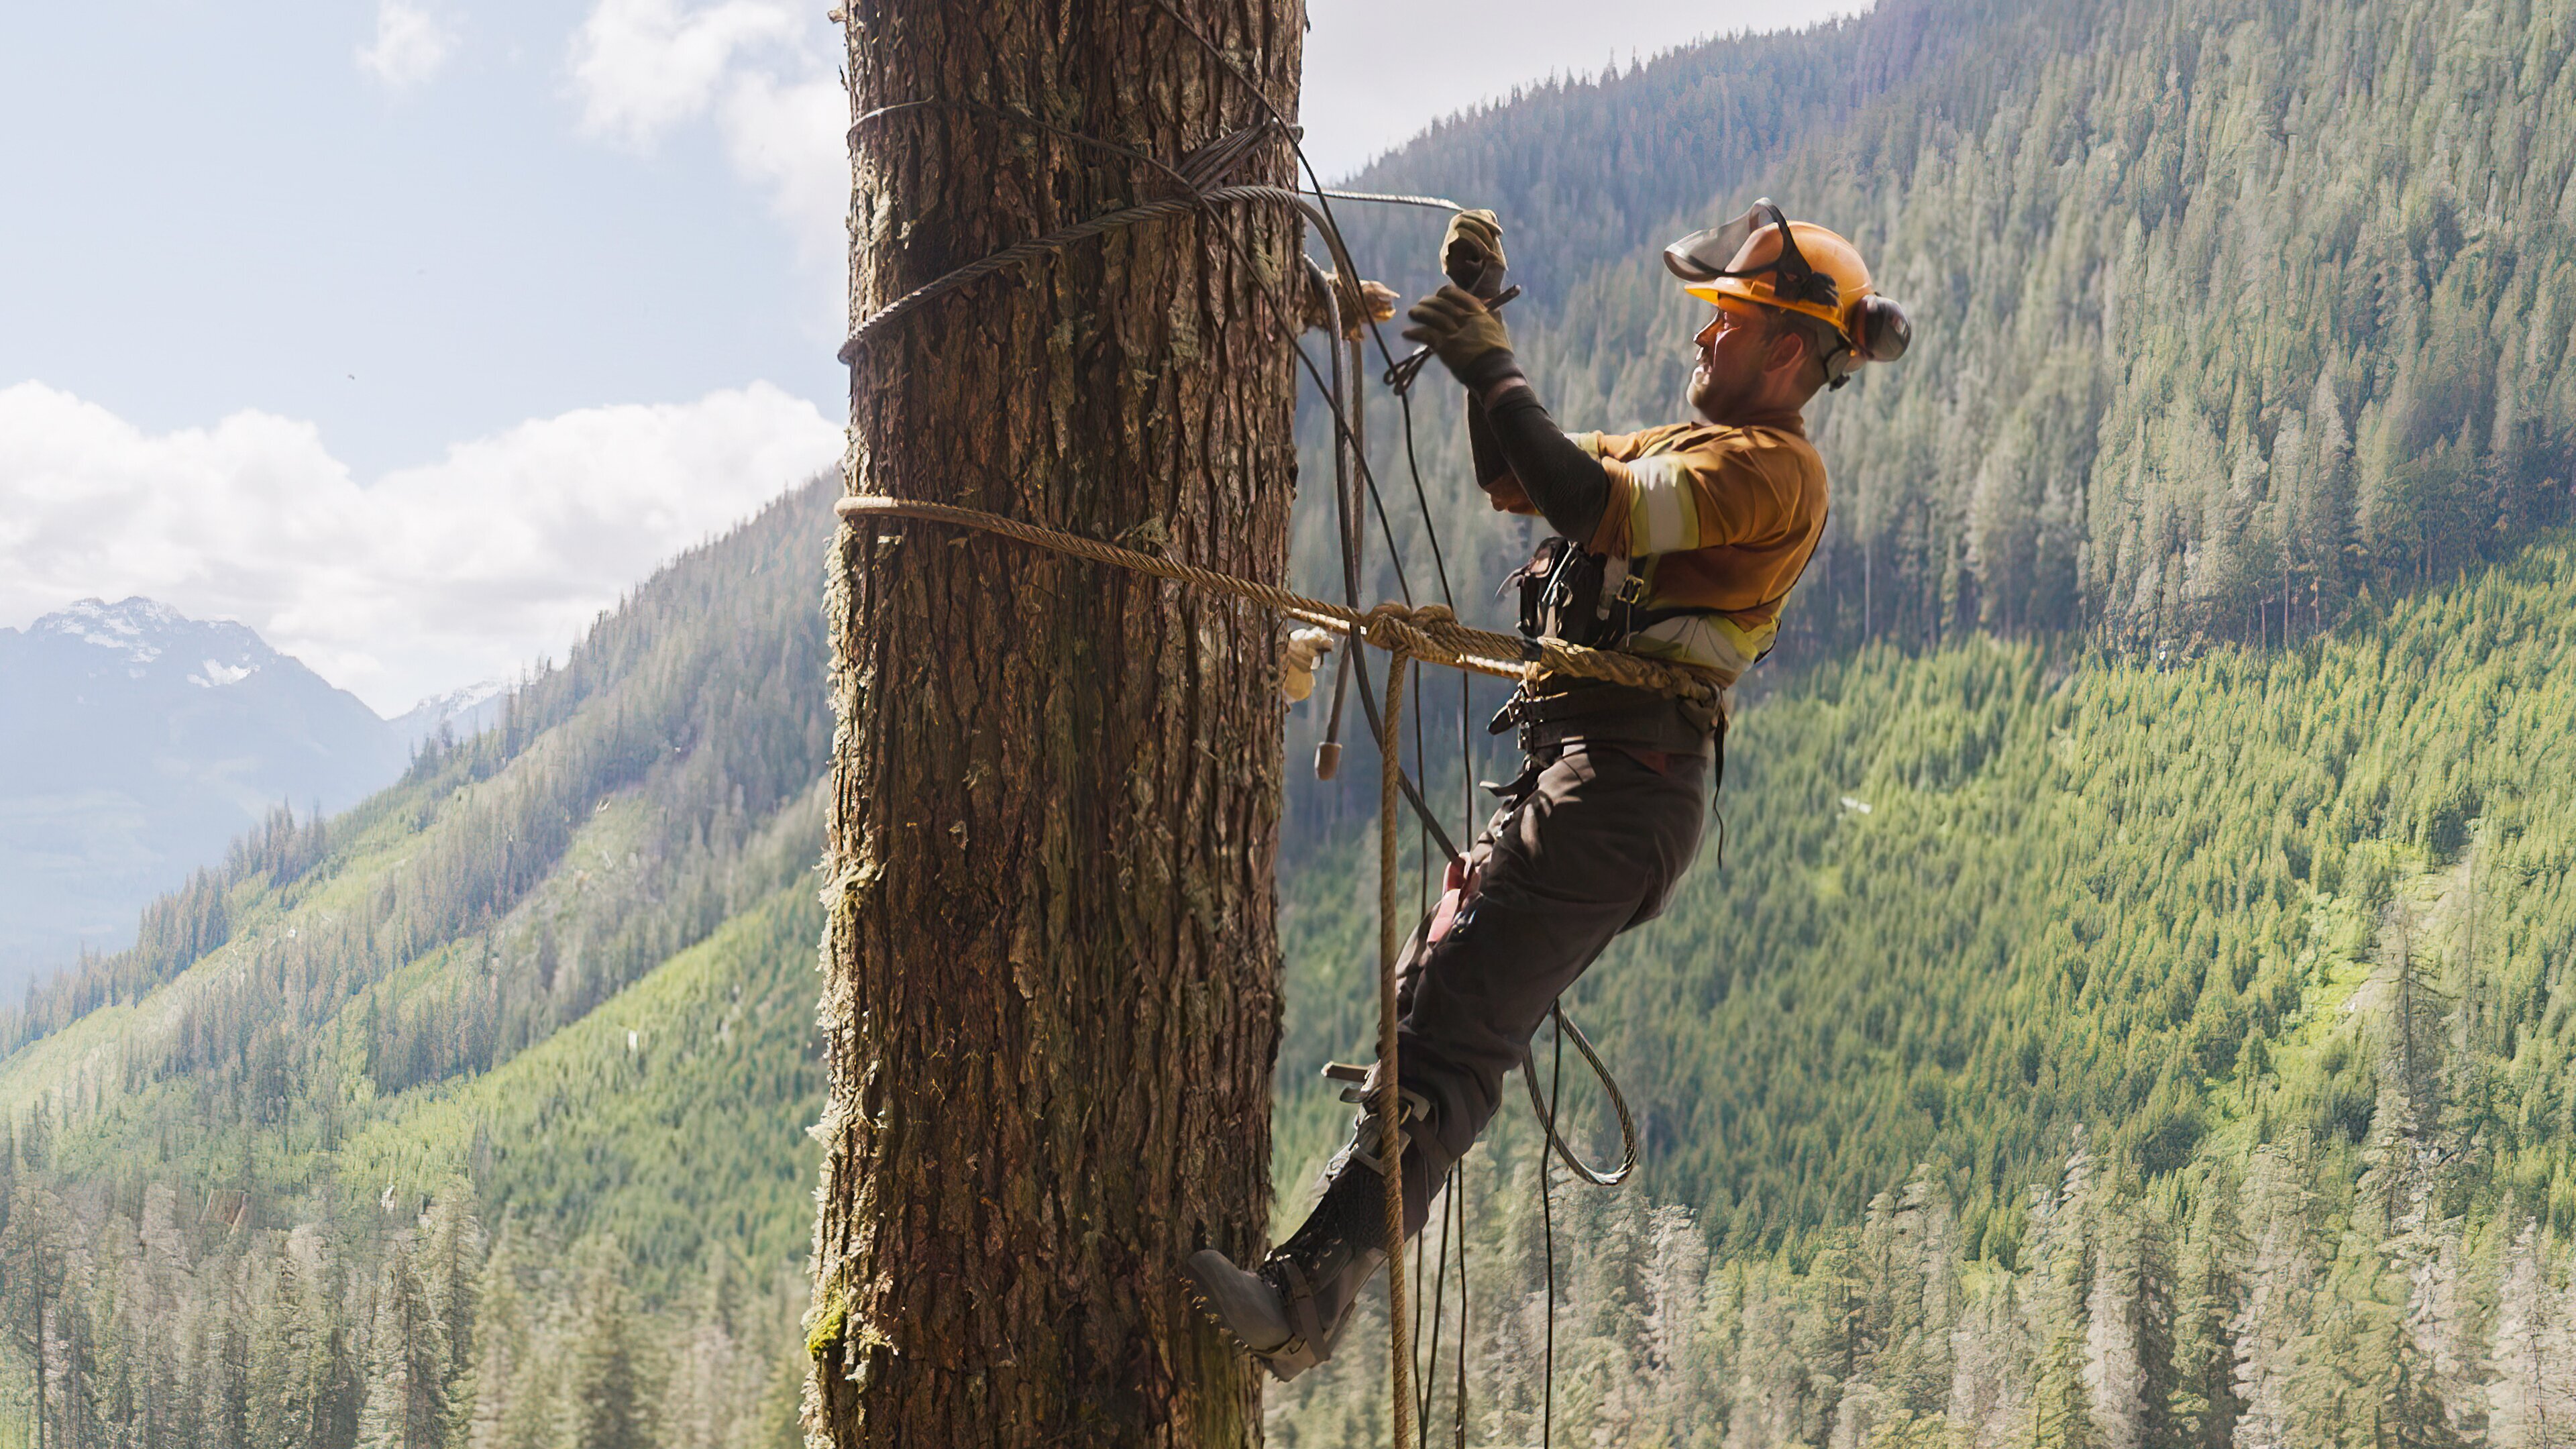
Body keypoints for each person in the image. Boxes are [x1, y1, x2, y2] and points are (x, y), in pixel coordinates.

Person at [1184, 201, 1910, 1381]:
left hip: (1626, 785)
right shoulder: (1687, 443)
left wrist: (1496, 361)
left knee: (1455, 1030)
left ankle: (1307, 1298)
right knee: (1435, 1005)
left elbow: (1592, 509)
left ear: (1789, 350)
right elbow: (1516, 476)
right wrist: (1487, 353)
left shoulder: (1773, 474)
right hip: (1593, 778)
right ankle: (1304, 1286)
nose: (1702, 339)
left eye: (1725, 321)